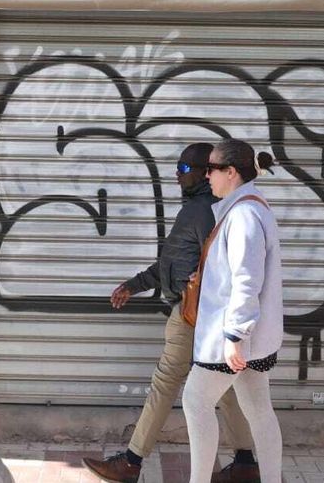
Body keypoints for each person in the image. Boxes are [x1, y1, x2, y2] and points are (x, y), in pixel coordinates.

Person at [83, 142, 261, 483]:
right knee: (221, 388)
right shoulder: (202, 208)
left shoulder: (205, 210)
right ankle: (245, 462)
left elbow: (229, 263)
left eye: (183, 169)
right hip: (201, 311)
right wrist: (134, 285)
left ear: (204, 172)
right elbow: (173, 260)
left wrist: (204, 281)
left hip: (192, 314)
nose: (177, 176)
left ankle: (131, 462)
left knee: (166, 382)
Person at [182, 139, 284, 483]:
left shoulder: (243, 215)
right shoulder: (246, 209)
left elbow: (246, 280)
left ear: (231, 172)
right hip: (249, 338)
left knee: (195, 401)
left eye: (211, 169)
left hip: (232, 338)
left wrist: (235, 336)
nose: (205, 175)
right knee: (259, 411)